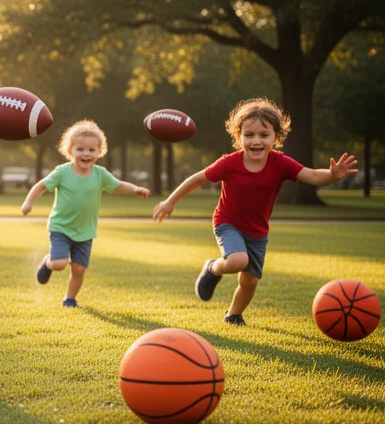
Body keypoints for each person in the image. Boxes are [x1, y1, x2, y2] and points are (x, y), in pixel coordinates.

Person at [152, 97, 358, 325]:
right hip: (227, 223)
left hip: (258, 232)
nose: (256, 141)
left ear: (276, 138)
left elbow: (311, 175)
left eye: (264, 135)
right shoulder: (229, 163)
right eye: (249, 135)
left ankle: (233, 315)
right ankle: (212, 268)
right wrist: (170, 201)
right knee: (237, 260)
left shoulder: (280, 163)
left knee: (249, 282)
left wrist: (332, 175)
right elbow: (197, 179)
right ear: (238, 136)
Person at [22, 120, 150, 308]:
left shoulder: (100, 174)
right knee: (59, 263)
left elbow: (118, 185)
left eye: (91, 150)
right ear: (70, 151)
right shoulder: (62, 172)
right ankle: (47, 262)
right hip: (61, 227)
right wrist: (28, 202)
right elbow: (41, 186)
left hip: (85, 231)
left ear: (99, 152)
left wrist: (135, 189)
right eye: (80, 149)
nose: (86, 153)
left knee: (79, 269)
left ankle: (70, 299)